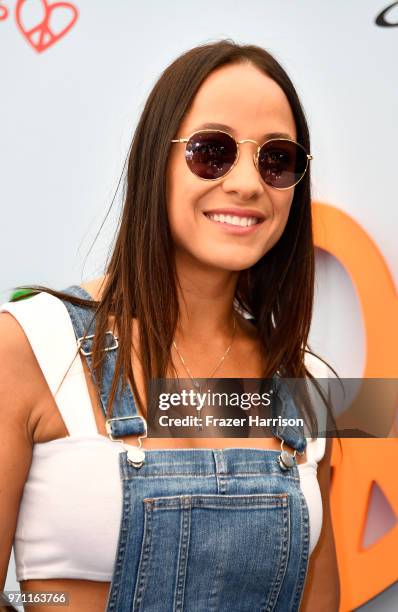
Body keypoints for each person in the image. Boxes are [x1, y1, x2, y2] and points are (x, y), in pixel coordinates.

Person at [0, 40, 340, 611]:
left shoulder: (308, 385)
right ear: (154, 159)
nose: (247, 183)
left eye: (276, 160)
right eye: (213, 152)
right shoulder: (29, 347)